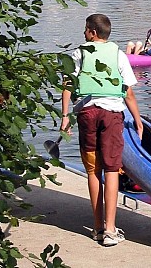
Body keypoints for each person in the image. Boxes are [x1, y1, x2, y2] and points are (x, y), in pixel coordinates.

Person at [61, 13, 143, 247]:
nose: (84, 33)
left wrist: (65, 116)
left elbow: (68, 86)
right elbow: (127, 92)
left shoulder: (79, 53)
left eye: (86, 29)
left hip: (87, 113)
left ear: (93, 33)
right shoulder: (118, 55)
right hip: (111, 114)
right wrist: (137, 121)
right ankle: (110, 230)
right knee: (111, 169)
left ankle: (97, 228)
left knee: (92, 170)